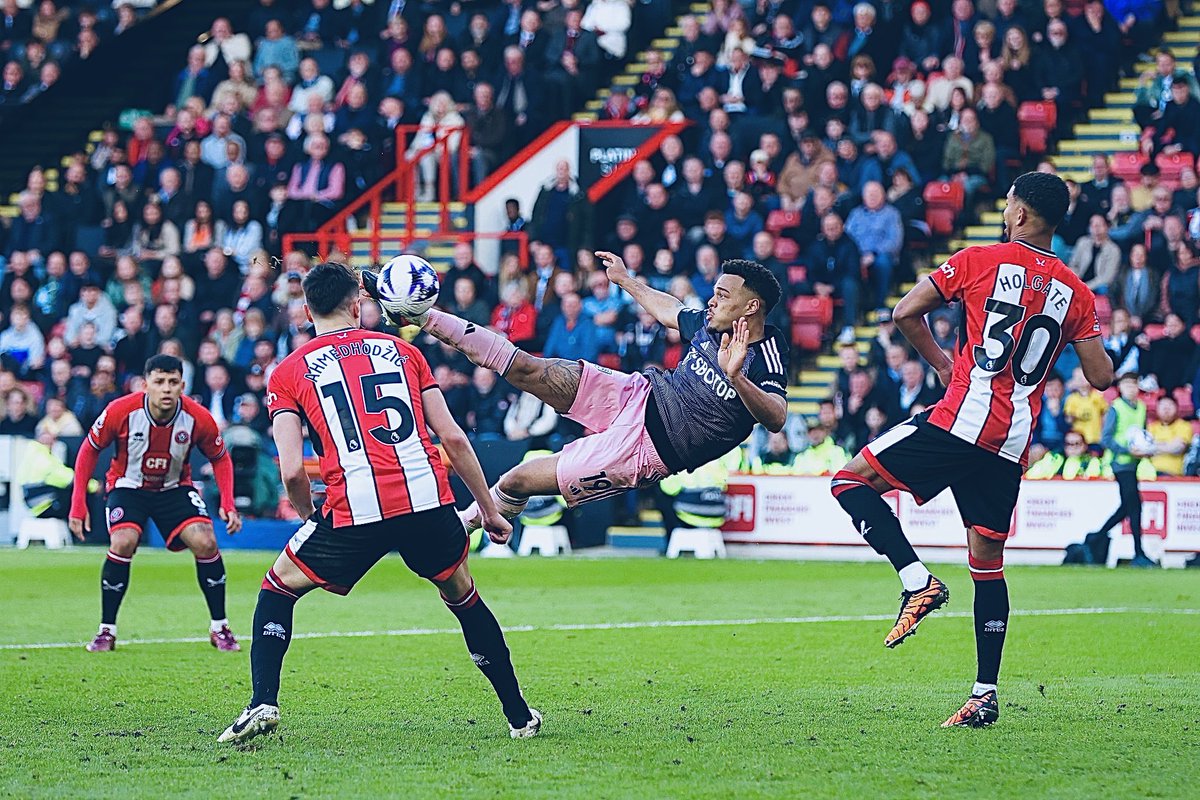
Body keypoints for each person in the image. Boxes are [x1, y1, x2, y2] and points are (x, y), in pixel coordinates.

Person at [829, 172, 1113, 728]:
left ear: (1021, 216)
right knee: (988, 564)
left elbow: (904, 313)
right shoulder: (1076, 292)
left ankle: (916, 581)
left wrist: (940, 362)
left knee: (849, 481)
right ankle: (985, 694)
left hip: (960, 420)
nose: (1006, 213)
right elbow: (1101, 376)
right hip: (1009, 442)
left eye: (1009, 206)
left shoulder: (981, 259)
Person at [220, 263, 540, 744]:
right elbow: (451, 436)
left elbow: (289, 469)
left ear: (307, 312)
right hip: (427, 502)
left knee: (277, 589)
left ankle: (263, 701)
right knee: (463, 597)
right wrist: (488, 510)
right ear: (357, 306)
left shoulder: (287, 372)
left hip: (354, 512)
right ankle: (518, 716)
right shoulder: (405, 352)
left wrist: (311, 518)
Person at [365, 254, 788, 532]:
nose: (710, 301)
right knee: (528, 367)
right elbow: (668, 309)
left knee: (517, 480)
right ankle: (421, 315)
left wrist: (737, 379)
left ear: (750, 308)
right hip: (637, 395)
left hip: (647, 449)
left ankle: (469, 526)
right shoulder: (710, 326)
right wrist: (625, 280)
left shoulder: (767, 352)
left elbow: (776, 417)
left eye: (721, 295)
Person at [68, 355, 243, 653]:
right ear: (145, 384)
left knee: (206, 541)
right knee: (123, 542)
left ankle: (220, 627)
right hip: (128, 486)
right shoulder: (120, 411)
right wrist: (77, 504)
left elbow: (221, 458)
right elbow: (88, 450)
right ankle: (106, 631)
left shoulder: (197, 417)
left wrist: (228, 502)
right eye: (159, 382)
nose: (166, 389)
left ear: (182, 386)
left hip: (174, 488)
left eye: (173, 383)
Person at [1087, 373, 1154, 567]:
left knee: (1128, 506)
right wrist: (1128, 450)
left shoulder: (1141, 408)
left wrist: (1145, 449)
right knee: (1134, 506)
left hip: (1133, 463)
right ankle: (1138, 553)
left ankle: (1095, 538)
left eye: (1134, 385)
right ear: (1121, 388)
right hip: (1120, 463)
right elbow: (1106, 439)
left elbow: (1141, 434)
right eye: (1127, 385)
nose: (1131, 389)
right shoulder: (1116, 408)